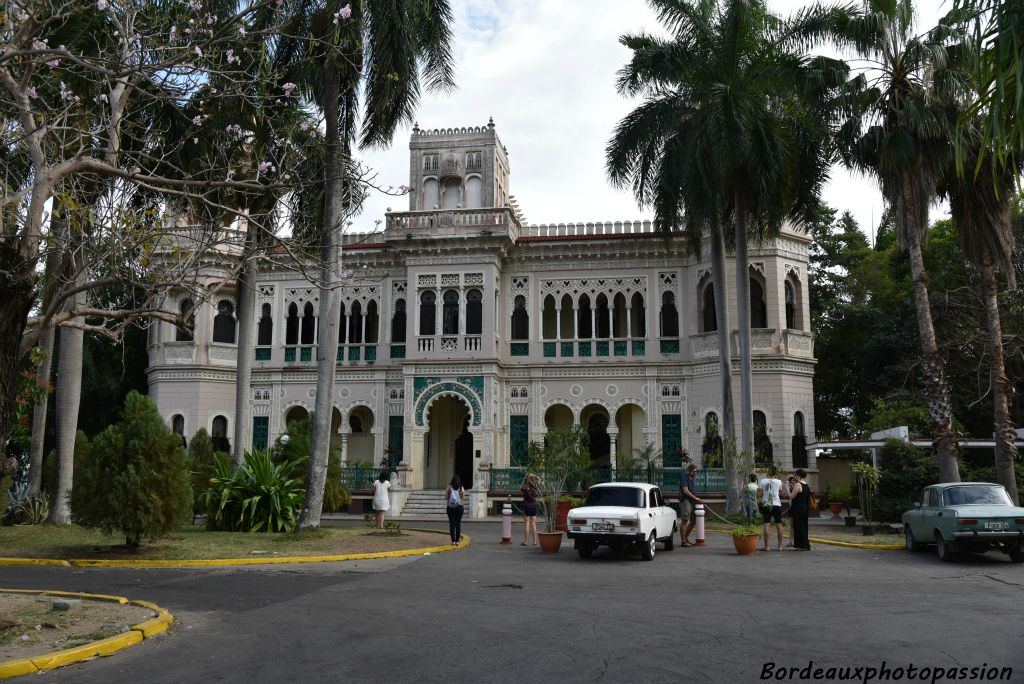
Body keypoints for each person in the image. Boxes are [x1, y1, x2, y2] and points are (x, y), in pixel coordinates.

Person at [758, 467, 784, 552]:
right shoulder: (779, 481)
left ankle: (767, 546)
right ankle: (780, 546)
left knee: (766, 524)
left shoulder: (763, 481)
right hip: (776, 504)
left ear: (768, 473)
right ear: (776, 473)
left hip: (766, 504)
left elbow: (760, 494)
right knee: (779, 524)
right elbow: (780, 492)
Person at [678, 464, 702, 546]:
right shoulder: (684, 478)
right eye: (694, 471)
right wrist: (695, 498)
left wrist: (695, 499)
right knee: (685, 520)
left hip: (692, 501)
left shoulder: (692, 479)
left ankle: (685, 538)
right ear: (689, 471)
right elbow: (685, 490)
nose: (695, 473)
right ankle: (683, 541)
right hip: (685, 501)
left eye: (696, 471)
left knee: (693, 520)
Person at [788, 469, 812, 550]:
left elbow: (792, 496)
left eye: (795, 475)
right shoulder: (806, 484)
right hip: (805, 507)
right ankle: (805, 545)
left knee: (799, 526)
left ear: (799, 475)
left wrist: (787, 489)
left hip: (798, 508)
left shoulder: (798, 484)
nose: (795, 477)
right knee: (804, 526)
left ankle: (802, 545)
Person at [520, 474, 539, 546]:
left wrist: (525, 478)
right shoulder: (535, 489)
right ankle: (534, 542)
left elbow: (520, 487)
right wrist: (533, 475)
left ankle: (526, 542)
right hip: (534, 506)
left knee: (527, 523)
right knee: (533, 523)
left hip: (526, 506)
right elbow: (539, 479)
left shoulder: (525, 489)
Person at [445, 475, 466, 544]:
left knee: (452, 524)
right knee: (458, 524)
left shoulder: (449, 487)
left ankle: (453, 541)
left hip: (450, 508)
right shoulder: (461, 487)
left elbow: (446, 497)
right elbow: (463, 497)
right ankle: (457, 541)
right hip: (459, 507)